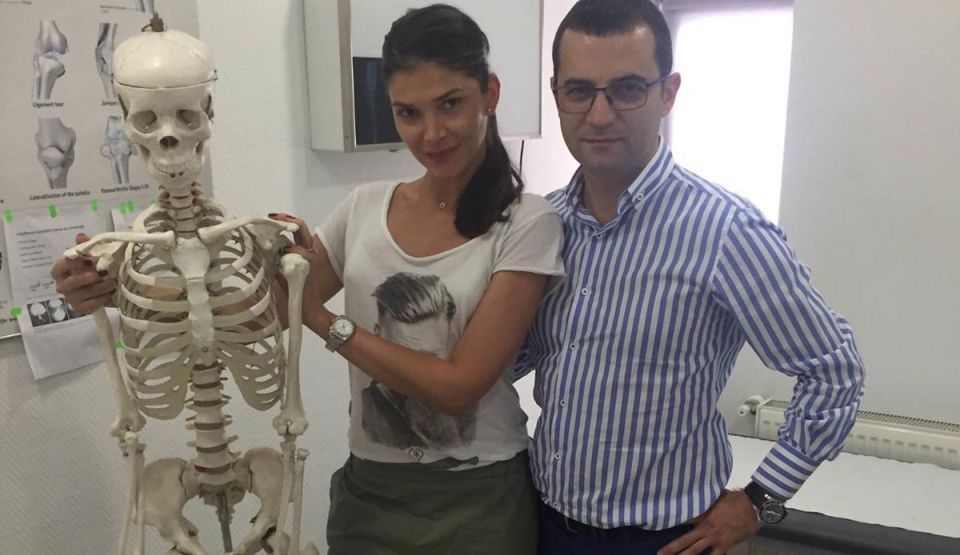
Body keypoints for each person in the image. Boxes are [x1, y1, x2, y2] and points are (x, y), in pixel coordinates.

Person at [53, 4, 563, 554]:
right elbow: (266, 314)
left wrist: (322, 320)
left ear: (489, 93)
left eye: (450, 104)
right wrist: (117, 291)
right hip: (373, 496)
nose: (432, 132)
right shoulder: (363, 208)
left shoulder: (526, 222)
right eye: (409, 113)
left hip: (479, 500)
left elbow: (458, 388)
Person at [515, 1, 866, 554]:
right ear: (556, 92)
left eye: (627, 89)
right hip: (544, 524)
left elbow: (834, 372)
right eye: (579, 90)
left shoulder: (726, 231)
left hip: (667, 540)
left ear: (668, 93)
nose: (600, 115)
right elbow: (513, 358)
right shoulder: (541, 226)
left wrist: (760, 499)